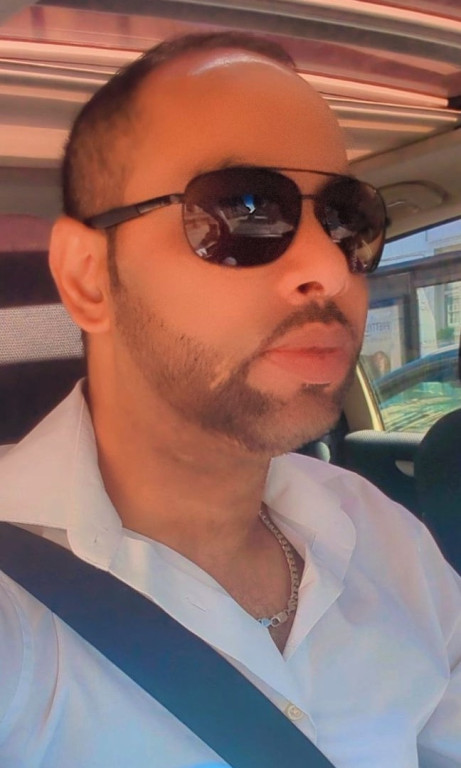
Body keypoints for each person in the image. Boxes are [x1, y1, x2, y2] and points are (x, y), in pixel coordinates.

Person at [0, 30, 459, 768]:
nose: (329, 269)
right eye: (245, 210)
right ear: (87, 276)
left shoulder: (383, 538)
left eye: (347, 222)